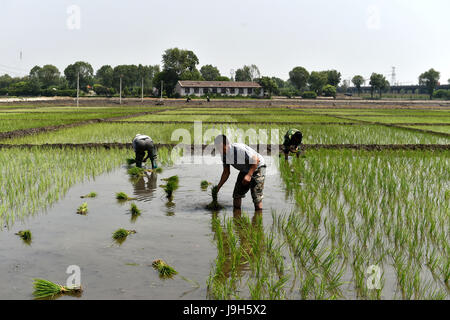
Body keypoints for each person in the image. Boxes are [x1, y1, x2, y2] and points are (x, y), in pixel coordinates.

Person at [214, 135, 266, 216]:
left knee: (256, 196)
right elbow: (226, 172)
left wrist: (249, 175)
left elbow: (256, 160)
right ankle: (237, 219)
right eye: (218, 149)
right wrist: (218, 187)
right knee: (237, 194)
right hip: (245, 169)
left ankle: (258, 221)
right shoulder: (224, 155)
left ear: (227, 144)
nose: (220, 151)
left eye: (221, 148)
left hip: (257, 167)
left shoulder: (238, 149)